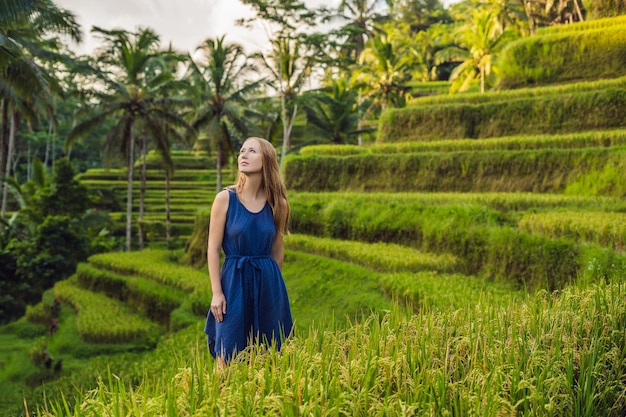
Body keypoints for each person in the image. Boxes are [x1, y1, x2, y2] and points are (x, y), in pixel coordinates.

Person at [204, 137, 293, 366]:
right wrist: (217, 292)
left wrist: (274, 291)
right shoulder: (225, 199)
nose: (243, 155)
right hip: (233, 282)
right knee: (227, 352)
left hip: (268, 283)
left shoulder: (278, 204)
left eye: (252, 151)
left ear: (267, 160)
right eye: (242, 151)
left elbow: (277, 251)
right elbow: (213, 249)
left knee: (270, 355)